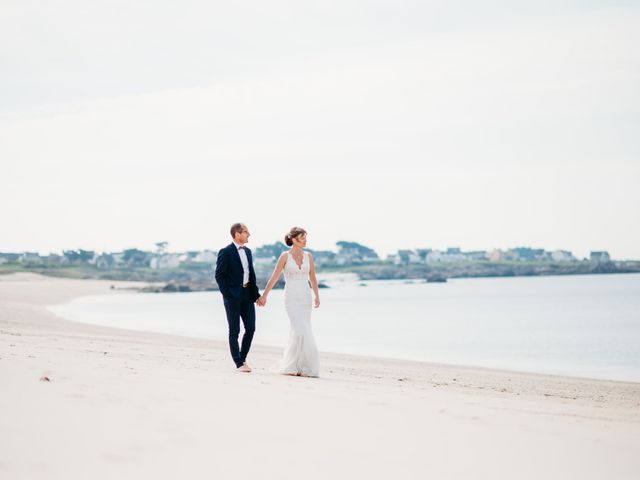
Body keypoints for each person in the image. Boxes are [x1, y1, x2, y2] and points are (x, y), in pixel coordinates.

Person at [259, 226, 321, 377]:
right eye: (302, 237)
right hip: (291, 297)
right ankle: (292, 365)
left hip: (305, 297)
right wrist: (265, 295)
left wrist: (317, 296)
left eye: (306, 237)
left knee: (305, 329)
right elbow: (274, 277)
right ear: (294, 240)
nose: (305, 240)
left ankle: (305, 366)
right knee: (298, 328)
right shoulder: (284, 256)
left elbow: (312, 277)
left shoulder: (309, 257)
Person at [215, 223, 261, 373]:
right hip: (232, 297)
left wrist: (257, 295)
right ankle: (239, 363)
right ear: (237, 234)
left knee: (251, 328)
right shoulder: (225, 252)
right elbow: (219, 275)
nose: (249, 234)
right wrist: (227, 294)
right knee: (234, 330)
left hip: (247, 295)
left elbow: (251, 274)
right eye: (246, 232)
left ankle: (242, 358)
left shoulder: (248, 252)